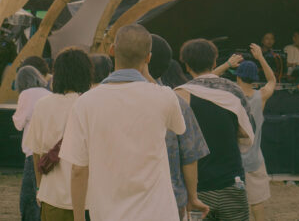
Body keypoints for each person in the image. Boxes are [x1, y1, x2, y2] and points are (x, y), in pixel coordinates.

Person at [61, 24, 185, 221]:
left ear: (112, 50)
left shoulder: (85, 103)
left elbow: (78, 170)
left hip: (108, 214)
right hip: (159, 213)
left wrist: (78, 218)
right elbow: (179, 128)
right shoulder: (164, 97)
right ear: (148, 58)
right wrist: (145, 73)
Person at [178, 38, 254, 220]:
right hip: (232, 181)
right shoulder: (234, 91)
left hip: (197, 188)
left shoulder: (180, 95)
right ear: (214, 62)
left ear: (186, 65)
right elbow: (247, 131)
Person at [22, 47, 92, 220]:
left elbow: (36, 154)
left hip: (52, 196)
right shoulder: (92, 105)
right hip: (88, 199)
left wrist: (39, 188)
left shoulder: (43, 105)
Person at [148, 35, 210, 220]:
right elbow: (190, 156)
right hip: (169, 200)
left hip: (121, 202)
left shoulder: (105, 100)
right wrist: (193, 197)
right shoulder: (176, 102)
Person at [234, 44, 278, 221]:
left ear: (237, 77)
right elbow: (272, 80)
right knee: (257, 203)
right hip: (254, 157)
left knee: (234, 205)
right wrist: (261, 57)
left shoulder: (229, 97)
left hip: (233, 159)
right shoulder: (261, 96)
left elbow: (205, 82)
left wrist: (226, 64)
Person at [13, 64, 52, 221]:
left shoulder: (26, 94)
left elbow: (19, 123)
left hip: (32, 151)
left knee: (29, 197)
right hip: (49, 150)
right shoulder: (48, 93)